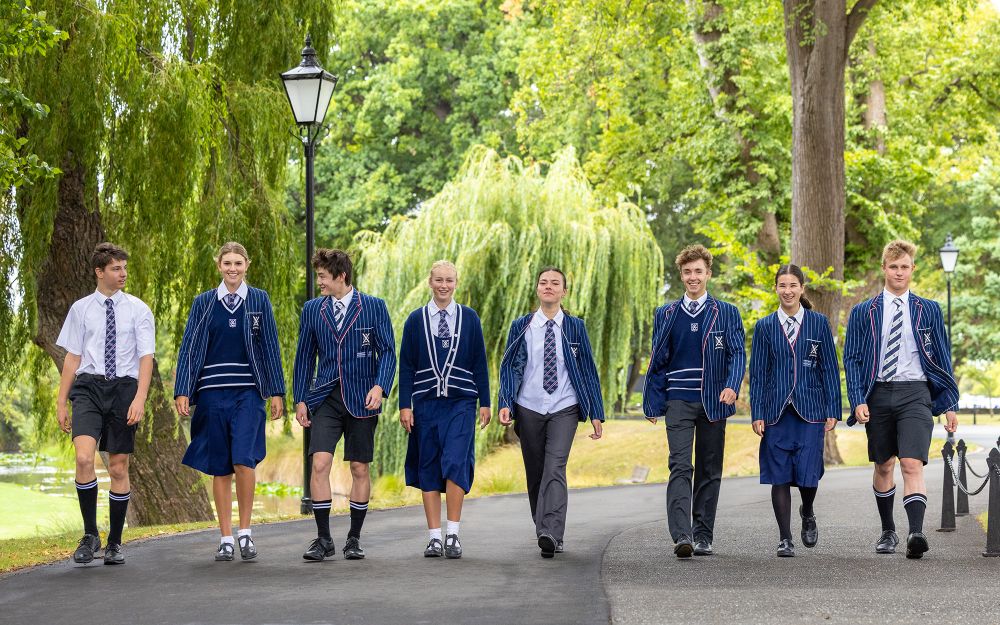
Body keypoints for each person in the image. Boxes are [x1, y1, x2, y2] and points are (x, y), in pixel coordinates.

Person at [844, 239, 959, 559]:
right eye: (893, 267)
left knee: (911, 462)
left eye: (904, 267)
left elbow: (941, 357)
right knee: (884, 465)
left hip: (916, 393)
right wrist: (857, 399)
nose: (898, 272)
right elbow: (852, 358)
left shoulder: (929, 310)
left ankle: (916, 533)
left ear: (912, 269)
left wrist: (949, 402)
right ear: (884, 268)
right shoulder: (862, 312)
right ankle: (888, 531)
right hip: (878, 393)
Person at [174, 242, 285, 561]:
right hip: (211, 394)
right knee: (220, 467)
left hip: (248, 394)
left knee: (243, 460)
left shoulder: (259, 300)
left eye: (238, 262)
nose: (233, 268)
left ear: (247, 265)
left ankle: (246, 533)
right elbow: (190, 348)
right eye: (227, 263)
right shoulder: (204, 303)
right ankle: (224, 537)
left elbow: (269, 348)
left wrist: (276, 391)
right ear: (218, 265)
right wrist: (183, 389)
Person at [642, 244, 746, 558]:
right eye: (687, 272)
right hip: (678, 401)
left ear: (708, 274)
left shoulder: (727, 312)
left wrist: (731, 385)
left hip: (714, 401)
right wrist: (652, 402)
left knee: (709, 469)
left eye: (698, 271)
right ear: (681, 275)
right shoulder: (667, 314)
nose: (693, 277)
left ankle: (703, 535)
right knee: (680, 466)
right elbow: (658, 361)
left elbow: (737, 354)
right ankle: (682, 536)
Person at [293, 249, 396, 561]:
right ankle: (323, 539)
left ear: (341, 276)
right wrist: (300, 398)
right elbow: (303, 359)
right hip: (324, 398)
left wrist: (380, 386)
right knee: (319, 463)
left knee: (359, 467)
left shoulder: (374, 307)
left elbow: (388, 352)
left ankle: (354, 537)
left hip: (363, 397)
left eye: (323, 276)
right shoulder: (312, 309)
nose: (319, 281)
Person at [55, 242, 155, 565]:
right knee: (84, 458)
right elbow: (72, 358)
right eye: (116, 268)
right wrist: (61, 402)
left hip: (124, 389)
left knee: (118, 466)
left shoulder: (139, 310)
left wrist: (140, 397)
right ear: (100, 272)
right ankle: (89, 535)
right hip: (88, 388)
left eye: (124, 268)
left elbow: (146, 358)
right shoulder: (80, 309)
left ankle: (114, 541)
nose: (123, 273)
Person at [497, 267, 604, 559]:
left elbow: (588, 371)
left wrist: (596, 411)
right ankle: (543, 526)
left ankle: (551, 532)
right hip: (528, 406)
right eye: (543, 282)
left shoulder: (575, 327)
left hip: (564, 406)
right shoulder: (521, 326)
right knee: (535, 472)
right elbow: (510, 368)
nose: (548, 286)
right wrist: (505, 401)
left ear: (563, 291)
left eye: (555, 283)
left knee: (555, 467)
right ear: (537, 289)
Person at [398, 261, 491, 559]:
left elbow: (479, 361)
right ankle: (434, 537)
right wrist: (405, 405)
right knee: (428, 465)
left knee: (454, 462)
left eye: (449, 280)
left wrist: (486, 401)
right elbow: (407, 366)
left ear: (456, 283)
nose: (444, 285)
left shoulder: (470, 318)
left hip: (461, 402)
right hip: (425, 403)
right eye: (438, 280)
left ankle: (453, 534)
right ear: (430, 282)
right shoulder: (415, 320)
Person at [749, 264, 841, 557]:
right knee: (779, 475)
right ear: (775, 289)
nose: (787, 291)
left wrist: (832, 409)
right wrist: (757, 412)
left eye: (793, 286)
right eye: (782, 286)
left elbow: (828, 368)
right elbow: (759, 373)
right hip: (776, 411)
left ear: (802, 289)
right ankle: (785, 538)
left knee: (808, 473)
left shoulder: (818, 323)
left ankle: (808, 510)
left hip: (811, 410)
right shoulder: (764, 327)